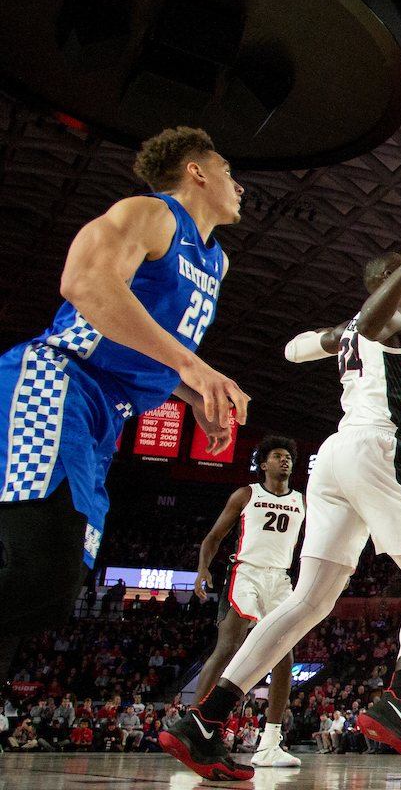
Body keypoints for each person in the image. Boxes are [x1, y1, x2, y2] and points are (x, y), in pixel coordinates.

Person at [162, 221, 401, 780]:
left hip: (332, 459)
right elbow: (381, 317)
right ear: (392, 280)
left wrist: (336, 335)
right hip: (378, 448)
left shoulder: (348, 333)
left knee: (307, 603)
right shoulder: (400, 314)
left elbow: (292, 349)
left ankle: (204, 720)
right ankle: (400, 698)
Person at [0, 127, 249, 636]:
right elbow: (84, 282)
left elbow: (145, 339)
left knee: (54, 592)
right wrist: (193, 369)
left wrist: (189, 393)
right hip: (57, 382)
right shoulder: (151, 213)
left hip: (107, 415)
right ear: (195, 172)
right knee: (39, 562)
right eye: (228, 171)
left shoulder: (216, 261)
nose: (239, 185)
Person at [191, 436, 304, 768]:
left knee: (285, 654)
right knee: (229, 646)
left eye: (288, 457)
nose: (285, 461)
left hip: (281, 577)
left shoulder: (303, 501)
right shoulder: (246, 494)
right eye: (277, 456)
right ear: (263, 463)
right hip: (246, 572)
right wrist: (202, 569)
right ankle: (194, 728)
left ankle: (269, 743)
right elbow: (214, 536)